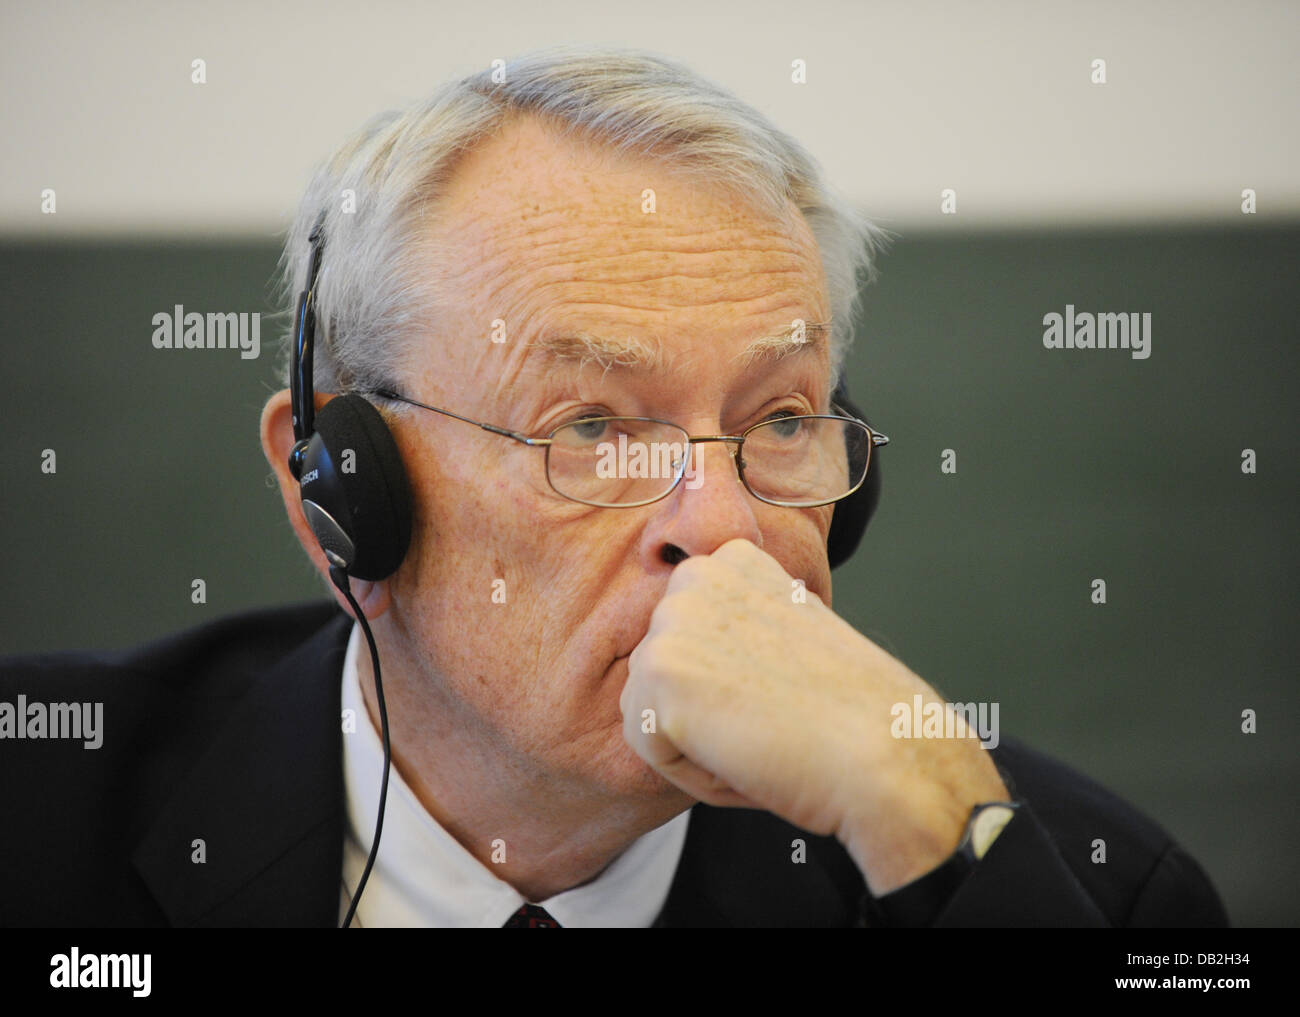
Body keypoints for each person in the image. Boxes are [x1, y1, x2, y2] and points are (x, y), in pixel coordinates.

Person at [0, 47, 1227, 928]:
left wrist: (945, 850)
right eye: (589, 427)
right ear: (338, 497)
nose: (727, 527)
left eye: (781, 419)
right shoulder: (40, 810)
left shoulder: (1070, 885)